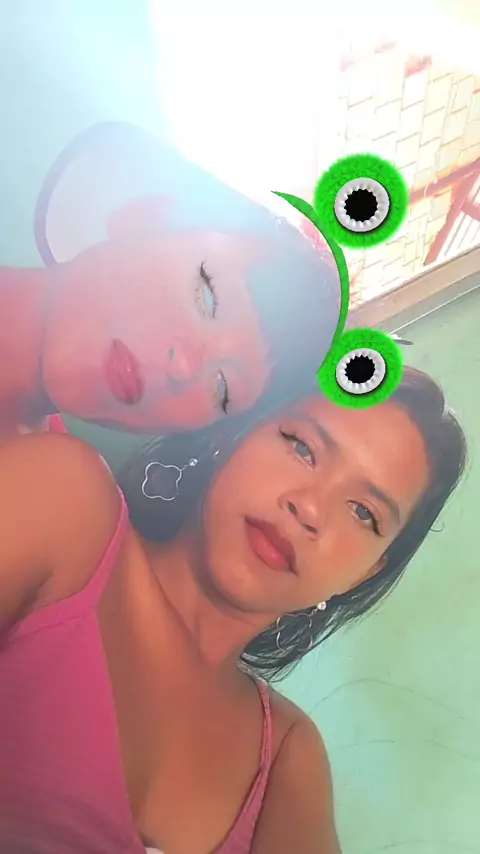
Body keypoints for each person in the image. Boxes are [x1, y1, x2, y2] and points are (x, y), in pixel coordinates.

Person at [0, 366, 466, 854]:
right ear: (235, 433)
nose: (309, 509)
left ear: (364, 574)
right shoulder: (69, 506)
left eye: (363, 512)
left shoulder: (288, 756)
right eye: (302, 447)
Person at [0, 121, 341, 439]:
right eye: (207, 296)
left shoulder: (36, 480)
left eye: (222, 389)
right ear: (143, 217)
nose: (184, 366)